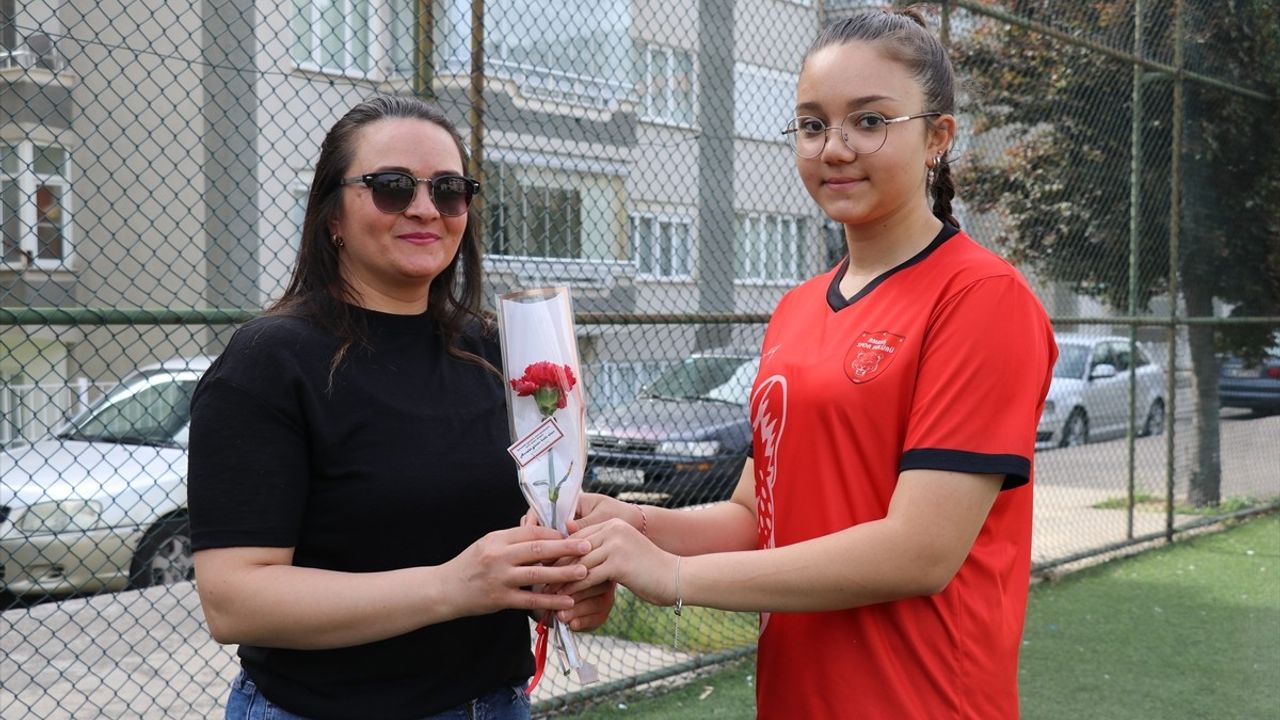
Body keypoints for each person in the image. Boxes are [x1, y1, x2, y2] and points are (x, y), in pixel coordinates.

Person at [554, 8, 1057, 719]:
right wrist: (632, 526)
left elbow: (919, 551)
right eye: (814, 124)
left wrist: (669, 575)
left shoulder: (981, 298)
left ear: (938, 137)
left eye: (870, 121)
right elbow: (757, 513)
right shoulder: (795, 310)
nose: (835, 148)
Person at [187, 95, 609, 720]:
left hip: (495, 704)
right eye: (391, 187)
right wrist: (455, 586)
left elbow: (542, 514)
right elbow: (235, 600)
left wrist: (575, 580)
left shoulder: (500, 350)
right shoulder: (270, 361)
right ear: (332, 214)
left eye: (448, 190)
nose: (424, 208)